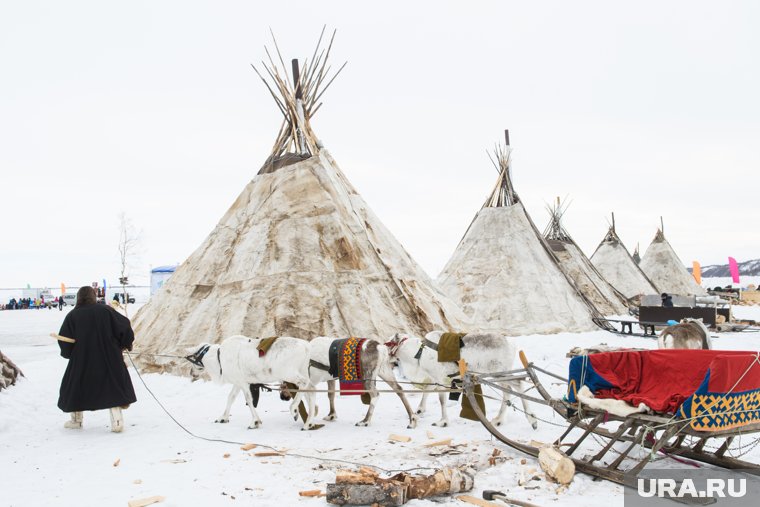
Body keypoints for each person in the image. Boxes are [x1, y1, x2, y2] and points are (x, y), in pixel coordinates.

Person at [57, 286, 136, 432]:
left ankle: (76, 420)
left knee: (75, 386)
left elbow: (65, 340)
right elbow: (124, 326)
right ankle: (117, 422)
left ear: (78, 298)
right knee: (113, 387)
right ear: (93, 297)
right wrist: (125, 344)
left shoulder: (73, 316)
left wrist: (69, 354)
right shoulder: (106, 311)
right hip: (110, 358)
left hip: (82, 360)